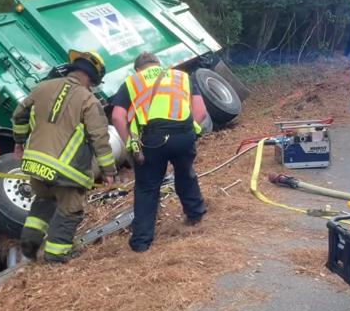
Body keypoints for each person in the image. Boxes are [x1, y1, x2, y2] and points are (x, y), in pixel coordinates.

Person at [11, 50, 117, 264]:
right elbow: (99, 138)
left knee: (43, 201)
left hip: (35, 164)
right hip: (66, 170)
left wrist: (19, 141)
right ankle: (55, 257)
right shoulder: (89, 100)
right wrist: (109, 172)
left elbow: (18, 114)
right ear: (94, 76)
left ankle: (29, 247)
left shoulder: (42, 87)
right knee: (70, 211)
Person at [110, 52, 208, 253]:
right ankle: (195, 216)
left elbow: (118, 117)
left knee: (147, 188)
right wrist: (192, 133)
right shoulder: (181, 77)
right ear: (159, 65)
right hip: (183, 135)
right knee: (185, 174)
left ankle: (141, 243)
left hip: (151, 142)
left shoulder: (132, 82)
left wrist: (131, 143)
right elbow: (200, 112)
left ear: (138, 69)